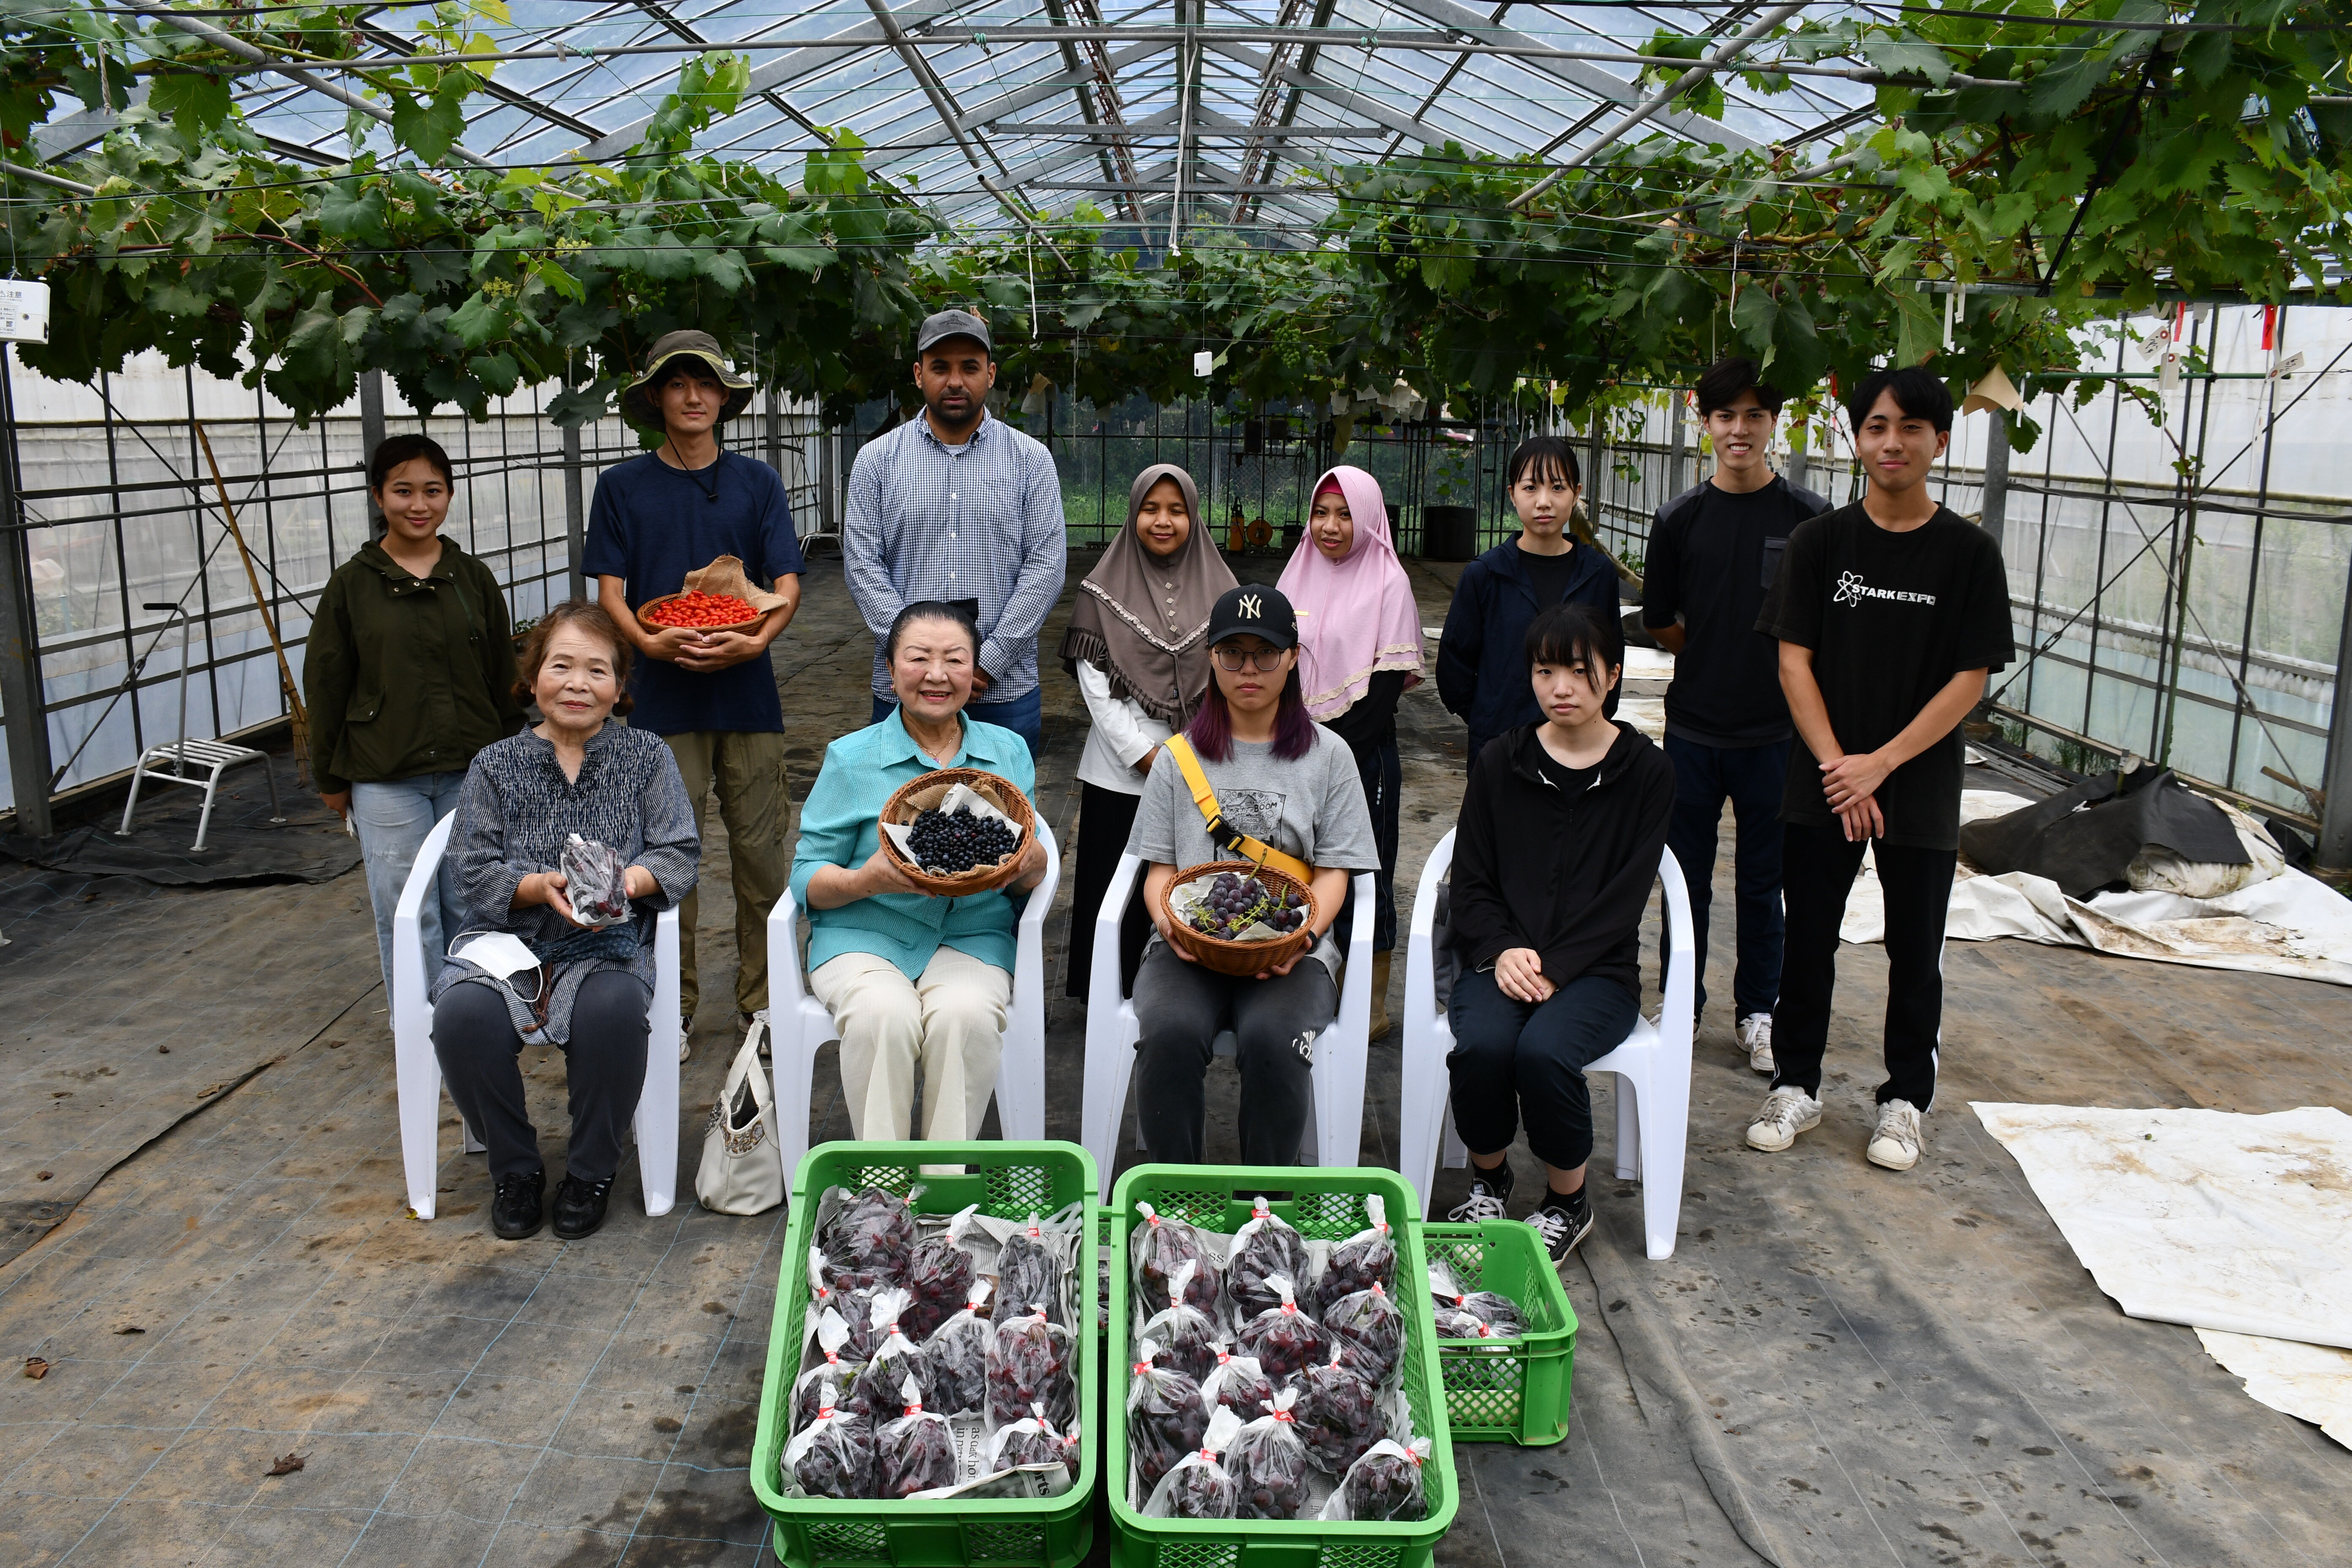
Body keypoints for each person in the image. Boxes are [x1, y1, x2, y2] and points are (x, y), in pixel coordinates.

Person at [1748, 366, 2014, 1173]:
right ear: (1856, 436)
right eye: (1874, 426)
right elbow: (1794, 663)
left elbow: (1969, 677)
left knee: (1913, 944)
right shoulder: (1819, 544)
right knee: (1808, 940)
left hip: (1918, 782)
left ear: (1939, 439)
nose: (1890, 442)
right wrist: (1839, 767)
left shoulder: (1967, 554)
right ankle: (1796, 1082)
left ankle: (1904, 1098)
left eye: (1908, 428)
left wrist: (1882, 765)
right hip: (1824, 776)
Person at [430, 602, 700, 1241]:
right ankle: (515, 1167)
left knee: (612, 1014)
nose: (579, 684)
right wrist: (535, 887)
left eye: (598, 670)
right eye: (562, 666)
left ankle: (590, 1171)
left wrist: (621, 884)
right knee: (461, 1018)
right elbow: (470, 866)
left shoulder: (646, 756)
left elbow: (679, 852)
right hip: (506, 944)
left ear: (620, 687)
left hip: (607, 942)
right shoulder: (495, 765)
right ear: (532, 680)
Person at [584, 330, 805, 1062]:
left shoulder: (757, 483)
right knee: (665, 861)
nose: (692, 396)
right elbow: (612, 592)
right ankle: (668, 1006)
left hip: (748, 698)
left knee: (761, 859)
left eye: (705, 383)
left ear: (724, 397)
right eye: (677, 383)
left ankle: (764, 1003)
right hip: (662, 702)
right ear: (655, 397)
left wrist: (756, 639)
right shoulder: (622, 486)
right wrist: (645, 646)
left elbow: (785, 584)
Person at [1443, 602, 1673, 1261]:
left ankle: (1567, 1199)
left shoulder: (1647, 773)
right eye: (1546, 671)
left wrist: (1557, 965)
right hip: (1502, 957)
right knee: (1484, 1044)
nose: (1561, 687)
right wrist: (1503, 949)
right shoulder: (1500, 761)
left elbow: (1623, 899)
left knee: (1544, 1052)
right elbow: (1471, 880)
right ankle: (1489, 1181)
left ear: (1613, 675)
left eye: (1579, 670)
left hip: (1597, 970)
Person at [1125, 583, 1380, 1165]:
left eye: (1265, 653)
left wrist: (1305, 937)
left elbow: (1335, 874)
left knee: (1273, 1040)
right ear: (1210, 659)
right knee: (1167, 1030)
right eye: (1231, 653)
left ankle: (1265, 1211)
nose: (1249, 669)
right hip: (1189, 945)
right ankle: (1177, 1205)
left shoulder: (1330, 757)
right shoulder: (1178, 758)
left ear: (1292, 658)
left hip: (1293, 950)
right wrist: (1172, 930)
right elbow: (1160, 870)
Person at [790, 601, 1054, 1144]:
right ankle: (882, 1203)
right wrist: (867, 880)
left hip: (972, 937)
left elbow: (1026, 861)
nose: (937, 675)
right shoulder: (852, 758)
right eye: (918, 658)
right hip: (864, 936)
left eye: (955, 659)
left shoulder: (1007, 752)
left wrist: (1035, 863)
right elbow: (806, 876)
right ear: (891, 670)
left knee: (967, 1017)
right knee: (882, 1016)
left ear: (974, 671)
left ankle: (938, 1191)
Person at [1639, 359, 1831, 1074]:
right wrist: (1714, 651)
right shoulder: (1679, 519)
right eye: (1726, 416)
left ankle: (1759, 1011)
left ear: (1772, 423)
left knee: (1763, 879)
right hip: (1693, 729)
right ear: (1705, 422)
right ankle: (1680, 1002)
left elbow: (1818, 631)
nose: (1739, 429)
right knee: (1682, 877)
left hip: (1775, 735)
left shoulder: (1808, 521)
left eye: (1754, 415)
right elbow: (1660, 618)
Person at [307, 434, 526, 998]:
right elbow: (327, 684)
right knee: (408, 908)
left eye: (433, 490)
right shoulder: (352, 586)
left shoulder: (473, 578)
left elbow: (502, 674)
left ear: (450, 495)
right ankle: (421, 1023)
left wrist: (513, 758)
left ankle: (474, 1010)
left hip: (471, 770)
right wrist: (330, 779)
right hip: (385, 774)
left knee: (469, 898)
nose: (419, 504)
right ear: (379, 496)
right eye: (403, 490)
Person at [844, 309, 1067, 757]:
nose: (955, 381)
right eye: (940, 367)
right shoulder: (876, 461)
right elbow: (863, 566)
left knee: (1004, 818)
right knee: (901, 819)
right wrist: (919, 660)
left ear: (990, 374)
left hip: (1001, 691)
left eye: (969, 367)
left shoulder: (1030, 460)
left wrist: (989, 659)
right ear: (918, 374)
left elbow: (1045, 566)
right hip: (904, 693)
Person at [1059, 463, 1236, 1003]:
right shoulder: (1099, 591)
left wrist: (1189, 750)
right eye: (1151, 509)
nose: (1164, 520)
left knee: (1188, 884)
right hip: (1120, 770)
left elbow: (1236, 676)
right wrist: (1143, 753)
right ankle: (1104, 996)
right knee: (1116, 885)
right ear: (1134, 513)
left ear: (1194, 516)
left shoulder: (1225, 589)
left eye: (1177, 510)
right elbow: (1096, 684)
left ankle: (1182, 995)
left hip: (1200, 765)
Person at [1277, 465, 1425, 1040]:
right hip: (1296, 752)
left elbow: (1382, 696)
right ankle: (1306, 979)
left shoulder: (1390, 584)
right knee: (1302, 866)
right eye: (1321, 513)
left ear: (1368, 518)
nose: (1330, 527)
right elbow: (1278, 670)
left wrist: (1326, 756)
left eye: (1345, 514)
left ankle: (1371, 1003)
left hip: (1363, 758)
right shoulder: (1295, 577)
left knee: (1368, 874)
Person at [1436, 436, 1623, 763]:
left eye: (1558, 488)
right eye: (1530, 488)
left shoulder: (1598, 574)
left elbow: (1611, 658)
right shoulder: (1485, 575)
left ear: (1577, 494)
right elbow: (1455, 665)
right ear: (1512, 494)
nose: (1544, 502)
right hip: (1502, 743)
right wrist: (1488, 714)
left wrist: (1593, 718)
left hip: (1580, 746)